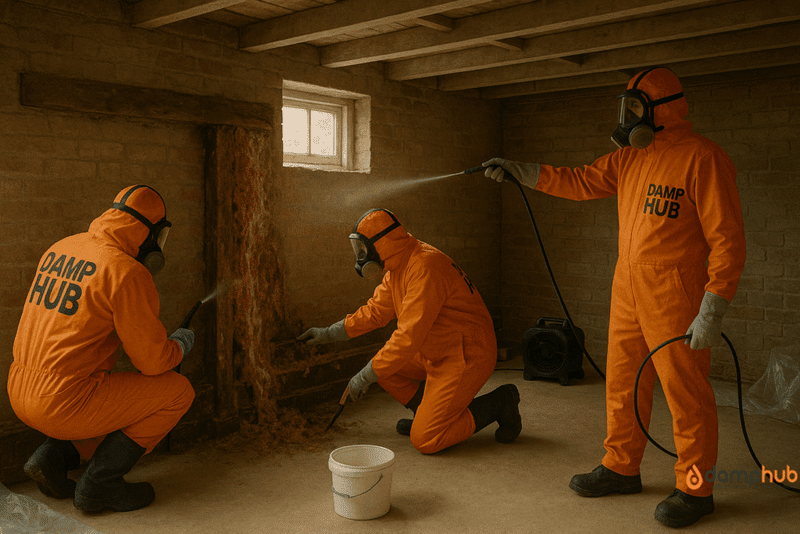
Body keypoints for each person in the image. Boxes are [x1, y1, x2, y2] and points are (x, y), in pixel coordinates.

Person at [483, 67, 745, 528]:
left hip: (676, 291)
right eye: (626, 108)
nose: (627, 117)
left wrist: (713, 306)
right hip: (627, 286)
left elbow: (728, 239)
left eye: (636, 108)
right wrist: (522, 171)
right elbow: (580, 181)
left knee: (686, 393)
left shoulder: (703, 158)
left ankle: (695, 489)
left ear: (661, 109)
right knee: (622, 382)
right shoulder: (628, 159)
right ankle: (622, 467)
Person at [8, 185, 196, 513]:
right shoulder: (126, 272)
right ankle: (99, 486)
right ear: (150, 234)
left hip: (20, 391)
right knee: (177, 392)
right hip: (62, 403)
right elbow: (152, 363)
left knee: (104, 390)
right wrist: (179, 346)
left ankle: (52, 457)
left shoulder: (62, 248)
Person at [298, 208, 522, 454]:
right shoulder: (399, 266)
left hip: (466, 354)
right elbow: (375, 312)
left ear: (382, 244)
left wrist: (362, 377)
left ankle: (501, 402)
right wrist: (328, 333)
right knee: (383, 370)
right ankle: (426, 412)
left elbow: (407, 338)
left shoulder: (424, 267)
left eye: (363, 251)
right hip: (436, 347)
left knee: (426, 439)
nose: (361, 258)